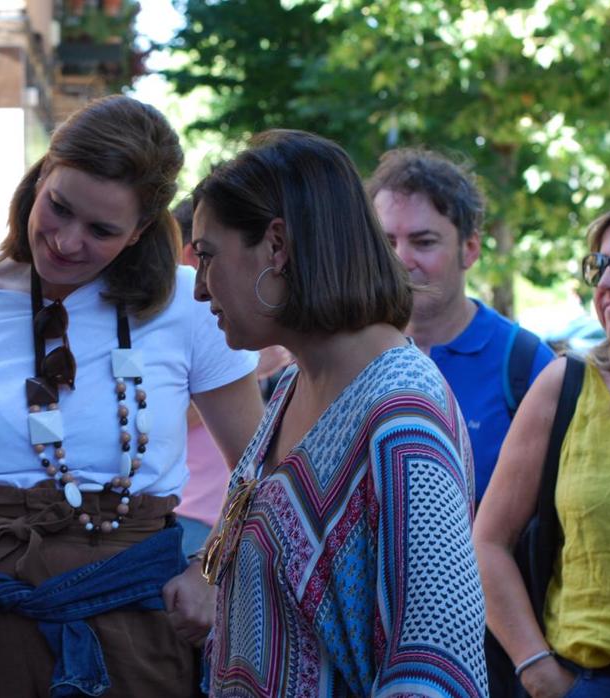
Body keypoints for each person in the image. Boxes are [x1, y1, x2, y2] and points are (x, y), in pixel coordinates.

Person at [0, 95, 264, 696]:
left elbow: (260, 471)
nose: (65, 241)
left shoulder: (188, 304)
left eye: (101, 230)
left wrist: (211, 569)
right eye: (57, 208)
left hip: (139, 641)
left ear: (141, 231)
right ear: (39, 180)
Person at [192, 130, 487, 697]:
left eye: (207, 256)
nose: (202, 290)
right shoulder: (294, 385)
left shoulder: (403, 420)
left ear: (276, 246)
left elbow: (436, 670)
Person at [475, 196, 610, 698]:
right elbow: (486, 544)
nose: (609, 282)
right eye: (599, 266)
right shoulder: (564, 387)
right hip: (591, 684)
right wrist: (537, 670)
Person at [368, 149, 554, 502]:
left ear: (469, 249)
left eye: (423, 242)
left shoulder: (525, 364)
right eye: (386, 242)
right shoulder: (346, 358)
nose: (401, 260)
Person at [173, 198, 293, 556]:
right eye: (203, 255)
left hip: (226, 515)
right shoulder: (180, 316)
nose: (199, 288)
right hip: (196, 512)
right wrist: (247, 372)